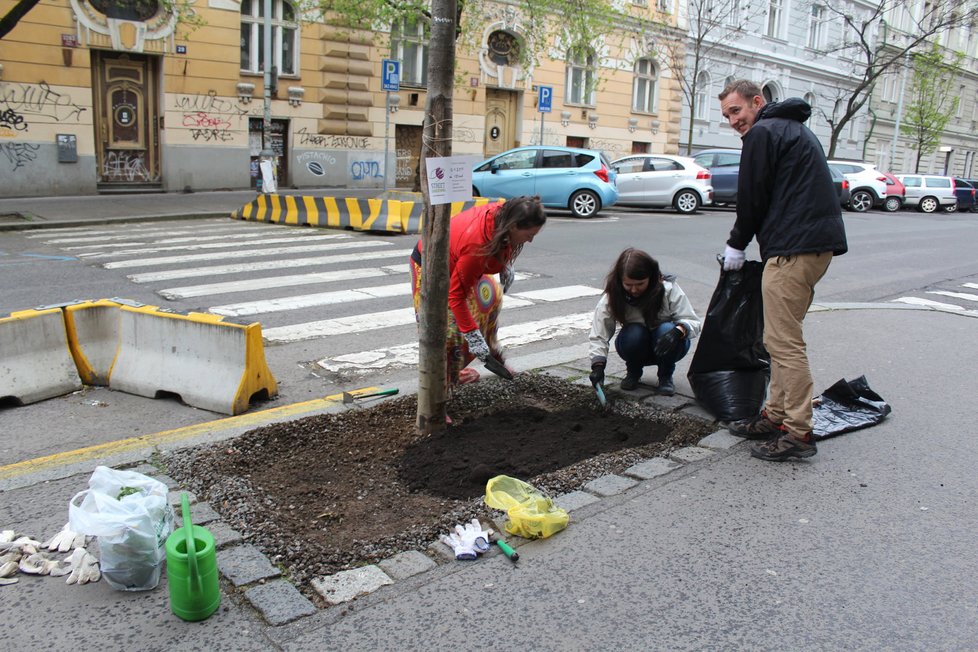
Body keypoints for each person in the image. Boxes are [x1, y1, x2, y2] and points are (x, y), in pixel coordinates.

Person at [718, 79, 848, 462]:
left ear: (757, 102)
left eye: (737, 111)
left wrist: (736, 243)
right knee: (779, 337)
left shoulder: (764, 133)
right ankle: (775, 415)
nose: (732, 121)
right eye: (727, 115)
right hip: (812, 247)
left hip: (793, 250)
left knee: (784, 343)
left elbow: (751, 197)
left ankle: (797, 431)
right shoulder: (793, 129)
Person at [410, 195, 546, 395]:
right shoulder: (477, 246)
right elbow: (455, 297)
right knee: (451, 331)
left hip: (462, 260)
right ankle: (439, 392)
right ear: (514, 226)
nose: (531, 240)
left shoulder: (505, 213)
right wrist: (473, 337)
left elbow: (499, 245)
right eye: (529, 235)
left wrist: (505, 264)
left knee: (489, 301)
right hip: (432, 268)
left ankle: (490, 357)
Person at [587, 248, 701, 396]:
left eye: (640, 284)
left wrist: (678, 331)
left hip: (667, 345)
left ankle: (665, 375)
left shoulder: (668, 288)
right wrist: (598, 366)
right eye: (628, 285)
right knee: (634, 332)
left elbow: (692, 320)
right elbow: (599, 333)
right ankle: (633, 372)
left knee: (666, 329)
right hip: (634, 345)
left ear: (651, 277)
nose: (634, 290)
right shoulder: (613, 296)